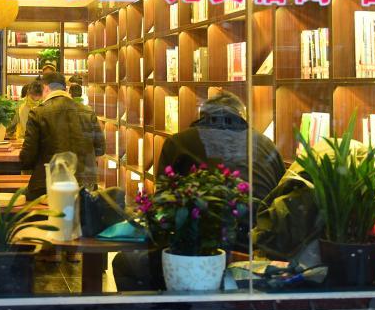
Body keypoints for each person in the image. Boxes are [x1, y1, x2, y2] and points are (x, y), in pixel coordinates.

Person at [112, 92, 284, 291]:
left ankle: (165, 309)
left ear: (203, 115)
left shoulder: (179, 142)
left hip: (202, 252)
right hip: (258, 253)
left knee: (125, 263)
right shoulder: (266, 145)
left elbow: (163, 206)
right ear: (242, 116)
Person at [20, 71, 105, 201]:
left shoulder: (38, 113)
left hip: (48, 186)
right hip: (85, 188)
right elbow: (100, 150)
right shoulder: (88, 111)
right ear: (65, 89)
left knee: (19, 195)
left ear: (46, 88)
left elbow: (28, 157)